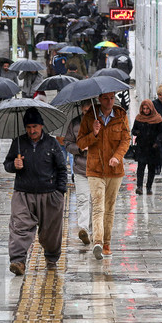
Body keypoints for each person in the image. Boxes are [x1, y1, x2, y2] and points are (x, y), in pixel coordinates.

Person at [3, 108, 67, 275]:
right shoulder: (18, 142)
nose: (32, 131)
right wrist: (14, 165)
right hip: (23, 193)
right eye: (29, 127)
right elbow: (7, 164)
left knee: (51, 232)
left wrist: (60, 193)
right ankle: (18, 261)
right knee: (19, 227)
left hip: (50, 194)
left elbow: (62, 168)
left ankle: (51, 258)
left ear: (41, 126)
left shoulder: (52, 143)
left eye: (35, 126)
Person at [77, 92, 131, 260]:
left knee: (110, 208)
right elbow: (80, 143)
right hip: (95, 169)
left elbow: (126, 139)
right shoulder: (89, 117)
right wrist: (93, 133)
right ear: (99, 99)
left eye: (112, 98)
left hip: (115, 171)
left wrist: (117, 156)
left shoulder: (121, 115)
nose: (109, 101)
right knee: (98, 205)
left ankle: (107, 243)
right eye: (106, 98)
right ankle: (97, 242)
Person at [64, 101, 93, 245]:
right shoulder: (74, 124)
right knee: (82, 199)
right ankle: (84, 229)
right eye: (84, 109)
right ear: (81, 108)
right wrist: (81, 148)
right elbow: (68, 144)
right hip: (80, 168)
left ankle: (94, 229)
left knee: (95, 201)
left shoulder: (101, 122)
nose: (86, 111)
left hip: (97, 169)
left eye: (89, 108)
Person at [131, 99, 162, 195]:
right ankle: (139, 186)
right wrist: (137, 132)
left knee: (151, 168)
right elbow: (133, 130)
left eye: (147, 109)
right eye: (144, 109)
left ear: (151, 109)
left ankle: (149, 187)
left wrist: (157, 142)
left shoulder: (157, 119)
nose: (145, 111)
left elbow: (161, 133)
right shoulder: (139, 118)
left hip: (153, 148)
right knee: (141, 167)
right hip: (141, 147)